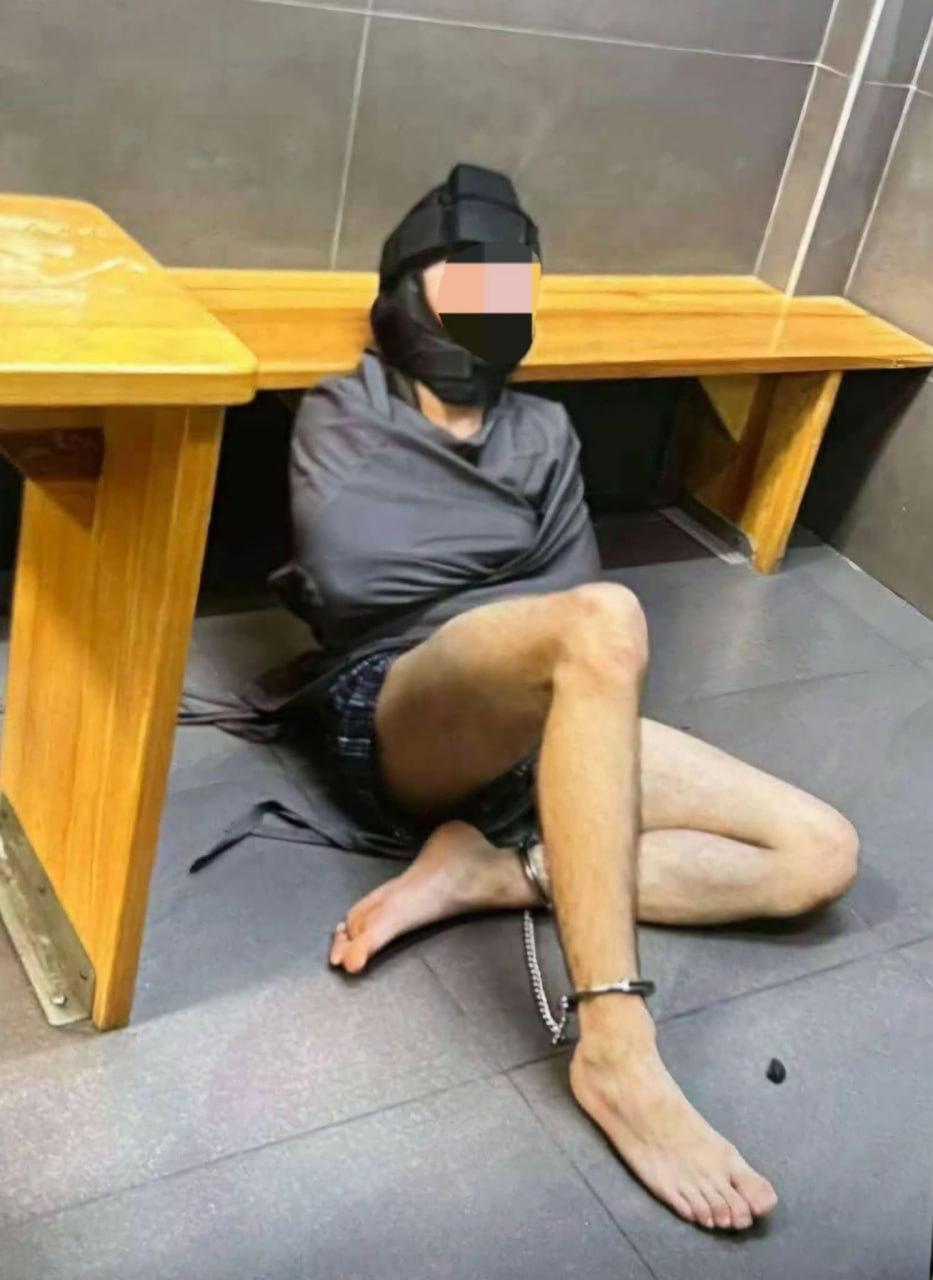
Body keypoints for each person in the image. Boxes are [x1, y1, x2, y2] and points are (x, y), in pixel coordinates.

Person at [272, 164, 860, 1231]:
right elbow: (356, 578)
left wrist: (509, 597)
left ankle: (493, 871)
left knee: (817, 854)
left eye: (510, 285)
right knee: (601, 619)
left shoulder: (541, 429)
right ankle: (616, 1046)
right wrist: (516, 585)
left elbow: (562, 579)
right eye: (467, 281)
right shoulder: (345, 406)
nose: (492, 304)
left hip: (539, 705)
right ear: (409, 291)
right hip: (398, 698)